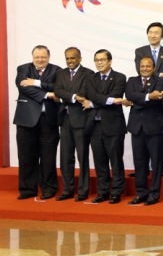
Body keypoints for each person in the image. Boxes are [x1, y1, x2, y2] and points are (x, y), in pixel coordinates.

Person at [13, 45, 61, 200]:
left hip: (49, 120)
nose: (40, 60)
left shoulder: (57, 70)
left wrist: (36, 82)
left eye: (43, 57)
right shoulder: (23, 69)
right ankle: (27, 189)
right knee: (26, 156)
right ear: (32, 57)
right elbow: (23, 87)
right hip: (26, 119)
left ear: (49, 57)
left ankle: (49, 188)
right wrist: (47, 94)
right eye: (37, 57)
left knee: (48, 156)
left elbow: (60, 88)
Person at [83, 49, 128, 204]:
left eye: (102, 60)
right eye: (97, 60)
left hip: (114, 125)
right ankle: (103, 192)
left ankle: (116, 192)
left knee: (115, 160)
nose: (99, 63)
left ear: (110, 61)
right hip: (95, 125)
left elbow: (116, 95)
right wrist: (107, 100)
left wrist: (94, 103)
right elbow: (92, 94)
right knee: (99, 161)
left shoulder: (120, 77)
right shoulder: (90, 78)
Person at [125, 57, 163, 206]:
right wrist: (147, 97)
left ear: (154, 67)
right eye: (142, 66)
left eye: (148, 66)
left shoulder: (161, 81)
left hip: (155, 128)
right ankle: (141, 192)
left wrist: (139, 100)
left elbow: (158, 100)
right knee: (139, 162)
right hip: (137, 127)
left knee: (156, 164)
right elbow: (130, 95)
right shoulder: (132, 80)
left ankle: (154, 193)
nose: (144, 68)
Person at [134, 22, 163, 177]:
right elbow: (141, 72)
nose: (153, 35)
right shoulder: (140, 51)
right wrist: (161, 74)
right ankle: (143, 168)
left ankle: (160, 168)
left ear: (162, 35)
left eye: (156, 32)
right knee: (142, 135)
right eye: (150, 32)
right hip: (143, 98)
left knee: (161, 134)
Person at [54, 47, 94, 202]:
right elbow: (57, 91)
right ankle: (67, 189)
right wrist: (72, 96)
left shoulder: (88, 73)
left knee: (82, 156)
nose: (70, 61)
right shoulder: (61, 73)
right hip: (64, 120)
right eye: (67, 58)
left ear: (80, 58)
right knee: (65, 157)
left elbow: (84, 93)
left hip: (81, 119)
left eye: (73, 58)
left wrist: (66, 96)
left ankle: (83, 190)